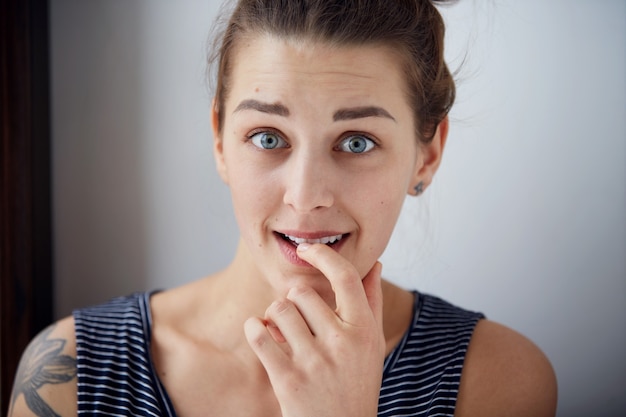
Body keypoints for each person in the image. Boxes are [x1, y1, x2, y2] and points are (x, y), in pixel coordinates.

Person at [8, 0, 558, 416]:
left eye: (357, 142)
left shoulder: (493, 382)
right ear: (221, 140)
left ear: (426, 154)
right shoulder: (70, 375)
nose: (305, 194)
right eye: (269, 137)